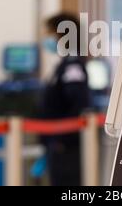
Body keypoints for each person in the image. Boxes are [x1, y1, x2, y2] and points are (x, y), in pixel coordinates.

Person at [42, 13, 91, 186]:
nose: (47, 38)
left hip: (66, 147)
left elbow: (79, 103)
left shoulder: (72, 66)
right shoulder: (64, 64)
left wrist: (62, 138)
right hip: (57, 143)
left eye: (50, 33)